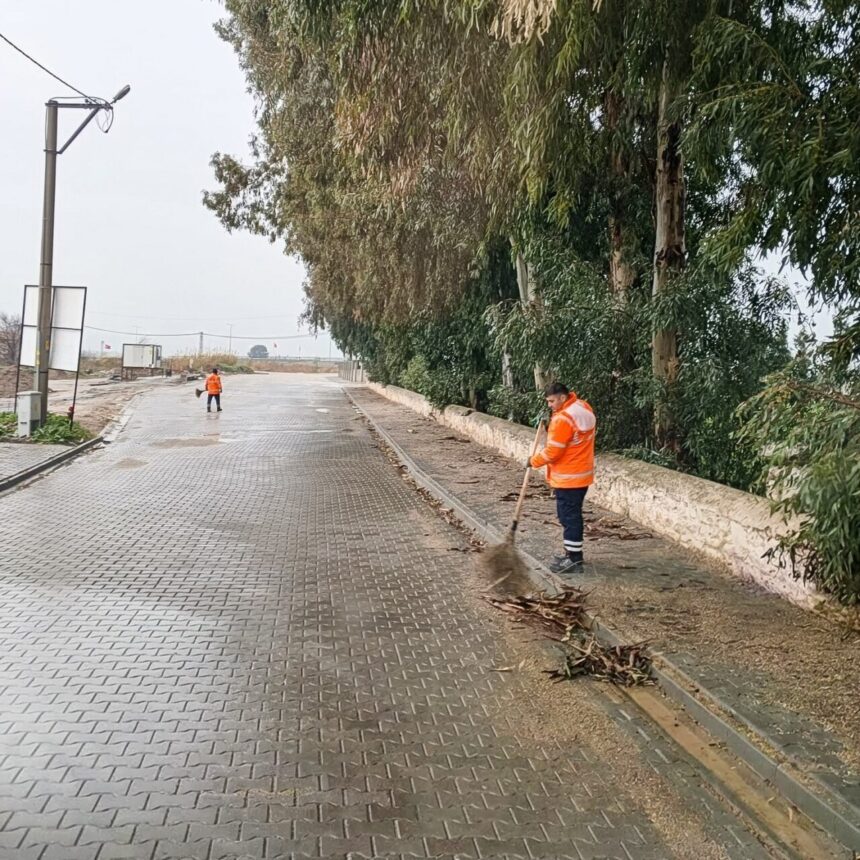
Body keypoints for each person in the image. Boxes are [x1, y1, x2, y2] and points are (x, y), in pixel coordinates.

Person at [530, 381, 596, 574]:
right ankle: (571, 553)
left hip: (568, 477)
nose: (549, 405)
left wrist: (532, 461)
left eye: (551, 401)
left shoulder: (563, 419)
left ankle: (574, 560)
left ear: (562, 397)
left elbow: (553, 453)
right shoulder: (583, 407)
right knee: (572, 515)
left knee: (569, 517)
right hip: (582, 474)